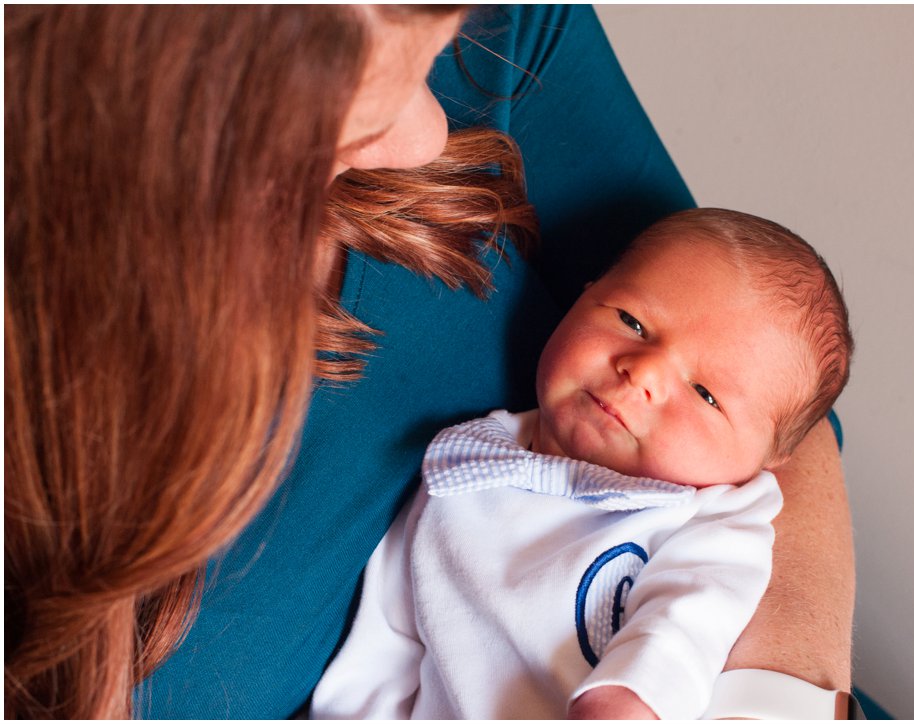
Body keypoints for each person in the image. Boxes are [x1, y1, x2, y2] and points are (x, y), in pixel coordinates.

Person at [6, 6, 855, 720]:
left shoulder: (496, 35)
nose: (431, 133)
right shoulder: (467, 466)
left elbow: (779, 389)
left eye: (436, 49)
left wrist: (762, 701)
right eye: (356, 92)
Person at [309, 208, 853, 720]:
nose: (642, 372)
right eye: (632, 321)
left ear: (768, 460)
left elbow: (691, 613)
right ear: (584, 295)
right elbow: (387, 642)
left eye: (707, 394)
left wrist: (630, 697)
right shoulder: (464, 465)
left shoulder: (710, 518)